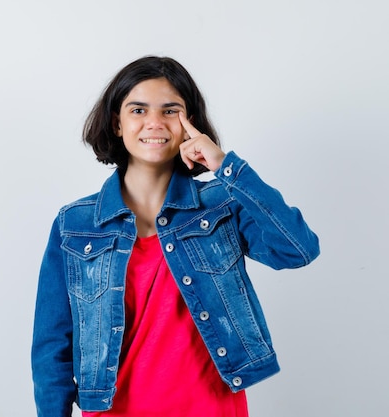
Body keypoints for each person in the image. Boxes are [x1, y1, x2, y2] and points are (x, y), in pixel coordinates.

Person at [31, 56, 320, 417]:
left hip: (211, 408)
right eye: (138, 110)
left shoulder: (222, 204)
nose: (154, 122)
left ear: (189, 124)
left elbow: (298, 249)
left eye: (170, 111)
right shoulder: (75, 224)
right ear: (116, 123)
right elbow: (52, 347)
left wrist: (225, 167)